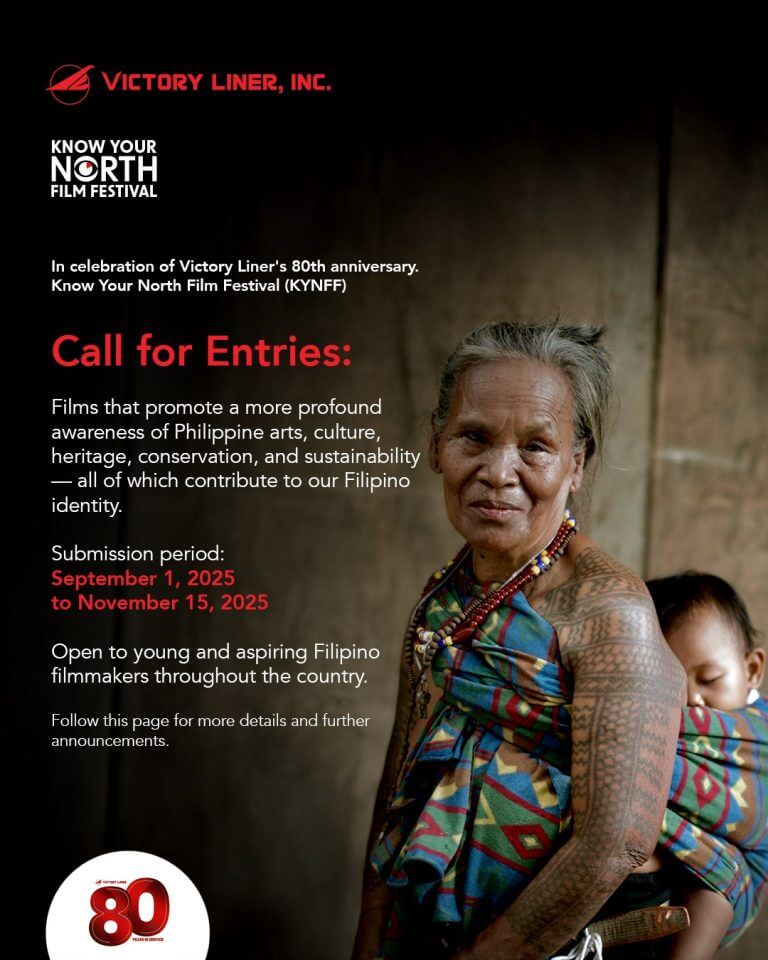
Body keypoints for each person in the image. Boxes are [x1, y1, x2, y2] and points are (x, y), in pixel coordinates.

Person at [351, 320, 686, 960]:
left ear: (576, 465)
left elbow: (613, 844)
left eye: (536, 446)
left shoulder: (608, 611)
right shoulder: (444, 598)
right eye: (473, 437)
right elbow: (399, 785)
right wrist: (369, 943)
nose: (498, 472)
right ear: (435, 444)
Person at [644, 572, 767, 959]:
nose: (693, 703)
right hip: (666, 857)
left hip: (730, 872)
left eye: (710, 679)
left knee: (715, 888)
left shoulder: (756, 735)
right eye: (672, 686)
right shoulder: (650, 721)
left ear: (751, 669)